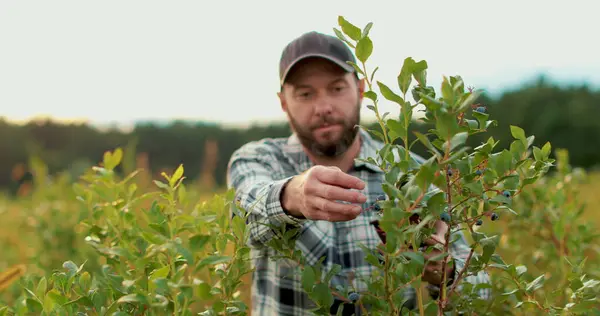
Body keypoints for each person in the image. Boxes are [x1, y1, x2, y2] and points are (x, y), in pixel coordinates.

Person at [226, 30, 491, 316]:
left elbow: (481, 289)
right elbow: (246, 210)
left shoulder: (413, 174)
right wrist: (293, 196)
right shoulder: (258, 159)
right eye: (305, 94)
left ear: (361, 89)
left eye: (337, 88)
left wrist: (445, 270)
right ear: (283, 102)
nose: (323, 107)